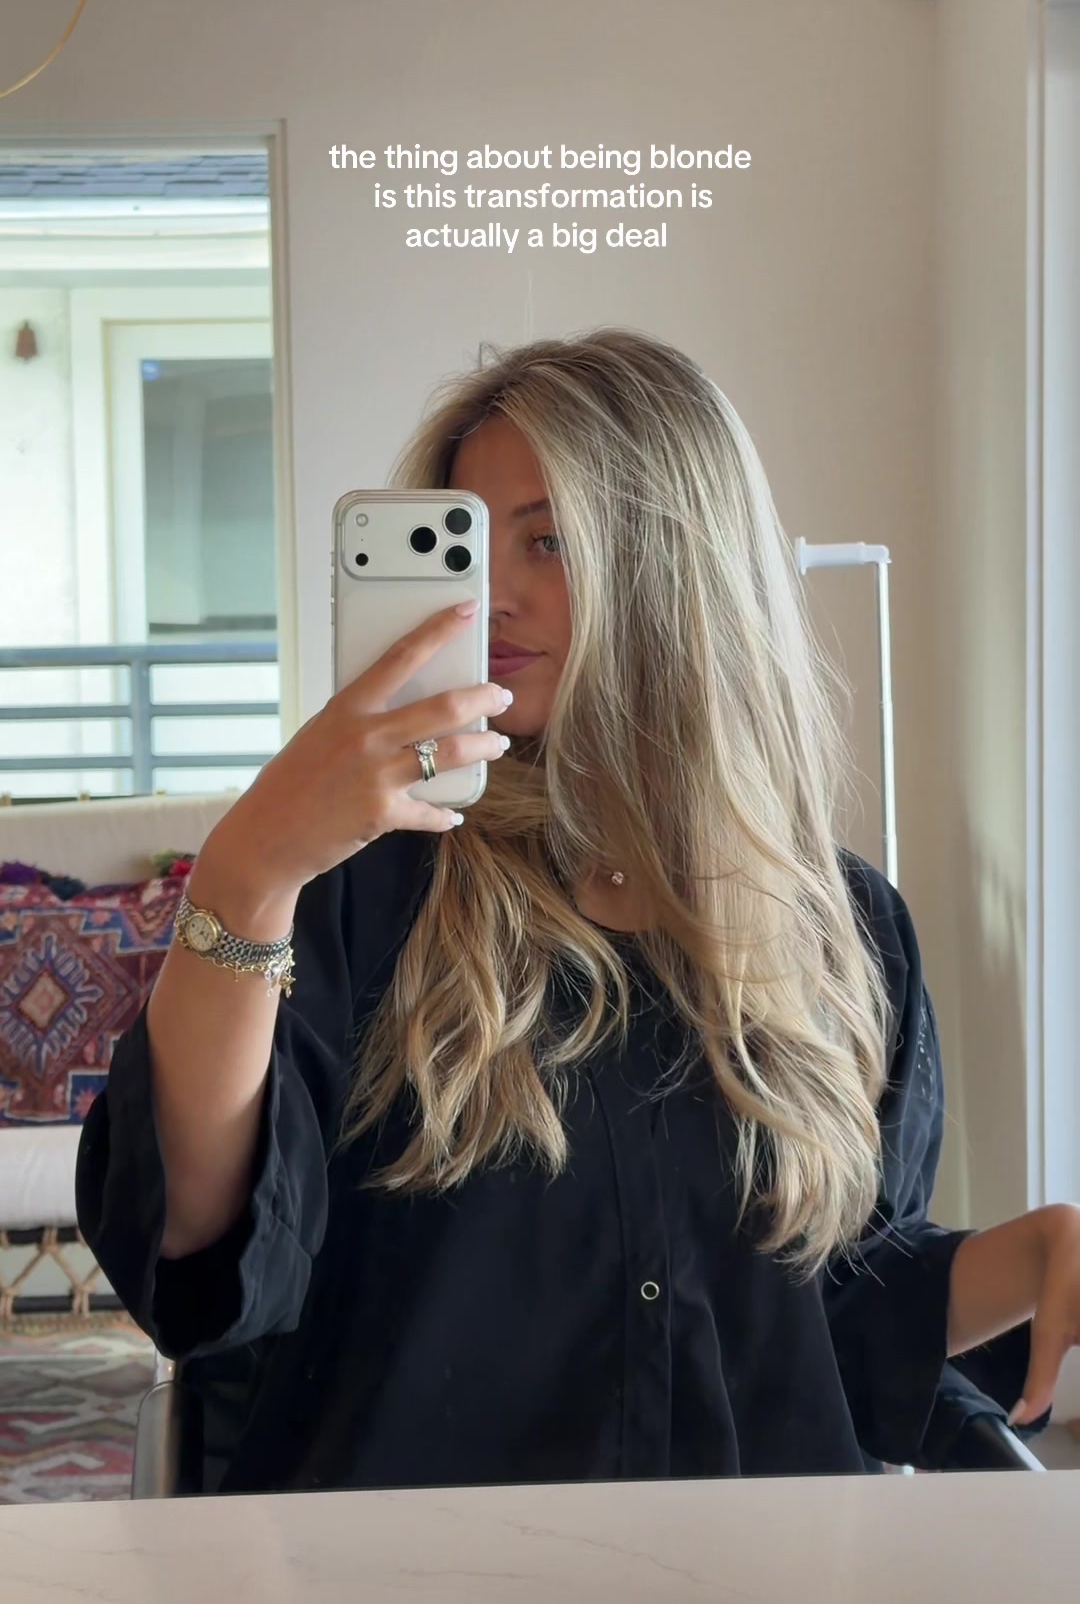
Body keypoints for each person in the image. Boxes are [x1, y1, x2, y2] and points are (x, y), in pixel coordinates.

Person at [77, 327, 1080, 1494]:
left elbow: (830, 1324)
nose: (490, 595)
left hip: (763, 1588)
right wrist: (246, 875)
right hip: (401, 1589)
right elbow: (193, 1247)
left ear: (677, 567)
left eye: (547, 540)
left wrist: (1034, 1257)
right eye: (467, 543)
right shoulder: (358, 890)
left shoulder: (846, 930)